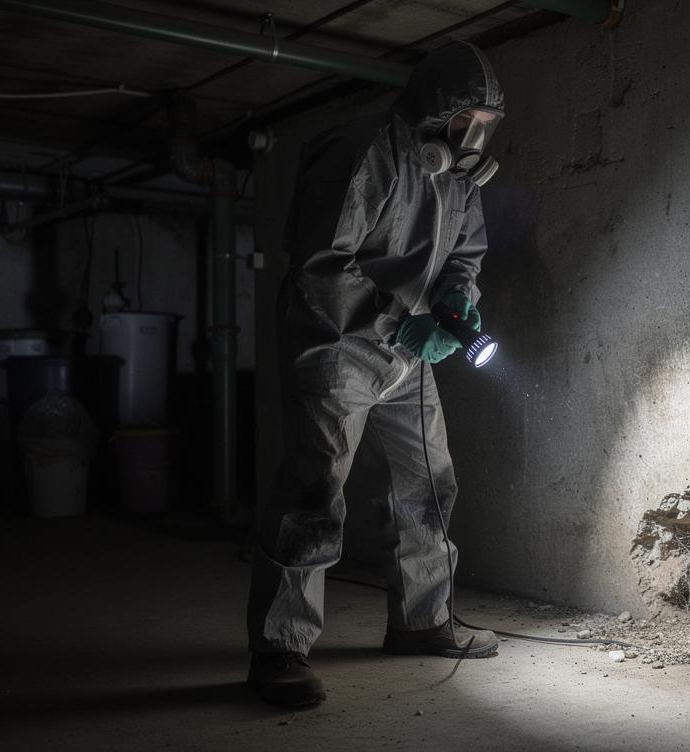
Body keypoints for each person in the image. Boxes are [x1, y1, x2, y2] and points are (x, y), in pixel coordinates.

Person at [246, 41, 504, 708]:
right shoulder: (365, 151)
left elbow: (466, 253)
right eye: (467, 118)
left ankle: (423, 620)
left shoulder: (458, 177)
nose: (475, 136)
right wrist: (399, 322)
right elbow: (322, 264)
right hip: (336, 343)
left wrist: (455, 307)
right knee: (314, 487)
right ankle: (280, 649)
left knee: (429, 481)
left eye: (486, 124)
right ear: (436, 109)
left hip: (408, 351)